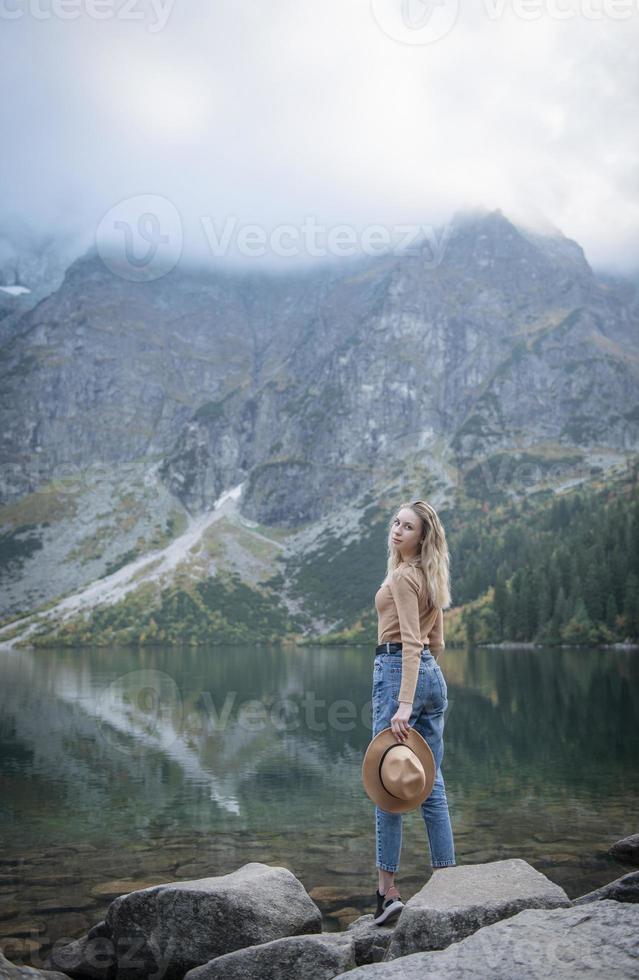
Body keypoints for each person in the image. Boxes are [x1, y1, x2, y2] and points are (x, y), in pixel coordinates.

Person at [371, 499, 456, 924]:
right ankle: (446, 879)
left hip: (396, 670)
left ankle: (387, 894)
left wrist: (405, 701)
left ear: (422, 536)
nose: (398, 530)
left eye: (408, 526)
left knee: (387, 783)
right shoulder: (430, 575)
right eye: (396, 523)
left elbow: (409, 640)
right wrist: (426, 683)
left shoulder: (405, 577)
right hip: (430, 676)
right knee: (431, 780)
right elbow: (434, 641)